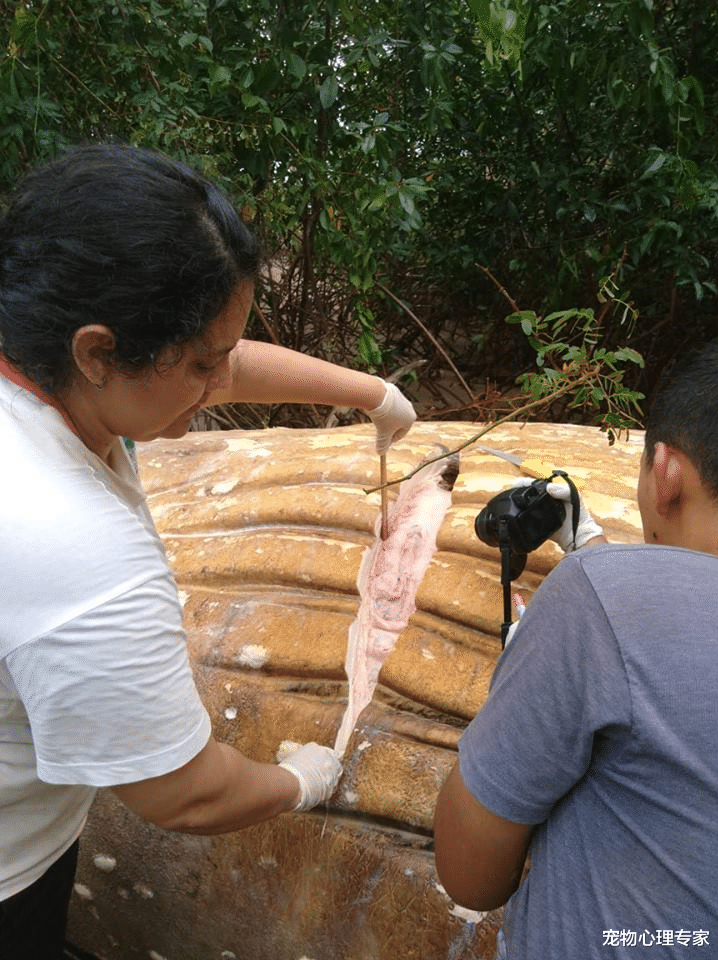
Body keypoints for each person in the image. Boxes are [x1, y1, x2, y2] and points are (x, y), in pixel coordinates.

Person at [0, 143, 417, 959]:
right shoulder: (74, 540)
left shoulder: (36, 349)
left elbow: (218, 361)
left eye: (221, 353)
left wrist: (371, 393)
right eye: (198, 365)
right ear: (95, 350)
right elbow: (181, 793)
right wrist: (298, 781)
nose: (216, 382)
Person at [434, 340, 718, 959]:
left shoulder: (597, 603)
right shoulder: (609, 597)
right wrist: (592, 548)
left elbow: (470, 878)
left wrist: (531, 679)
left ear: (664, 472)